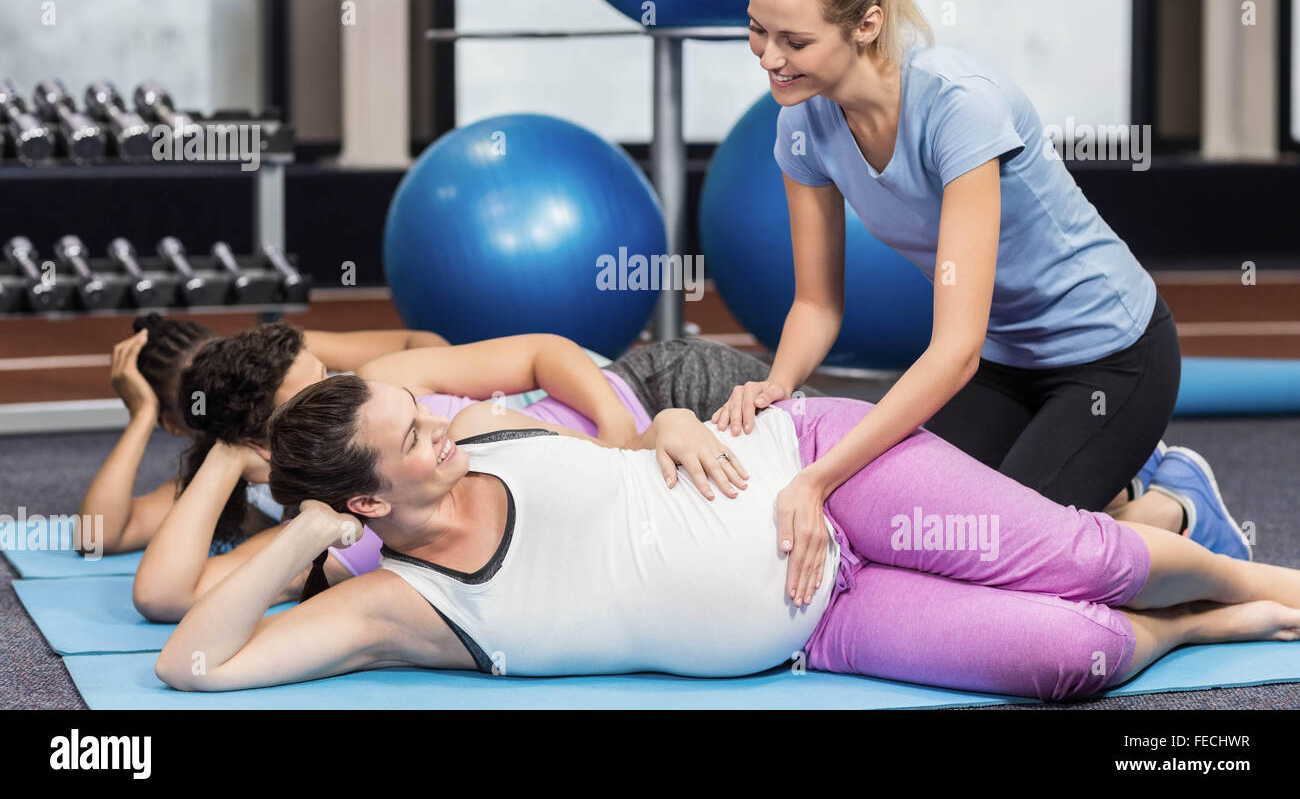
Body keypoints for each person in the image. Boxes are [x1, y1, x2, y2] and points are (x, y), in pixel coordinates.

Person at [154, 376, 1299, 702]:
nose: (438, 427)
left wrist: (678, 417)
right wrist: (293, 526)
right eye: (413, 434)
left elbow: (623, 425)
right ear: (362, 502)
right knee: (1070, 659)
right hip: (822, 627)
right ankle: (1217, 621)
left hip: (816, 469)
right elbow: (191, 662)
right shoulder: (393, 605)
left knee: (1079, 557)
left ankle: (1256, 574)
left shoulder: (487, 427)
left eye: (425, 412)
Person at [713, 0, 1250, 575]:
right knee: (910, 527)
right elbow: (817, 304)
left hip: (1113, 358)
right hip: (1005, 364)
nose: (769, 56)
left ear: (867, 24)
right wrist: (778, 384)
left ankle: (1179, 505)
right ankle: (1116, 488)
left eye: (795, 39)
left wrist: (818, 477)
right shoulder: (801, 129)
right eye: (757, 28)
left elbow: (954, 349)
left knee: (996, 554)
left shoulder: (957, 108)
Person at [131, 320, 823, 622]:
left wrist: (621, 436)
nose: (340, 388)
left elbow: (543, 354)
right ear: (267, 442)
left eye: (327, 376)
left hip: (658, 393)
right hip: (651, 498)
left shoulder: (381, 381)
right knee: (809, 543)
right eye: (312, 397)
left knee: (848, 464)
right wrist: (225, 457)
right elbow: (163, 597)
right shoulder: (330, 530)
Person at [79, 314, 452, 557]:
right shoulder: (239, 481)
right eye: (198, 401)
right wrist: (142, 415)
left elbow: (426, 343)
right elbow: (95, 536)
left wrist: (408, 404)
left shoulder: (297, 365)